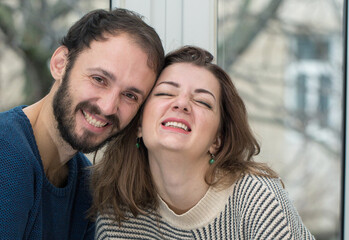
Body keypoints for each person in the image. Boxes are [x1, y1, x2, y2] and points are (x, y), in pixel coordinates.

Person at [0, 8, 164, 239]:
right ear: (60, 64)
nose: (108, 106)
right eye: (99, 79)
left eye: (130, 95)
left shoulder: (82, 183)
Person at [92, 46, 314, 239]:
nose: (181, 104)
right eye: (166, 93)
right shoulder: (117, 209)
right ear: (139, 124)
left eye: (202, 102)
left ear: (217, 140)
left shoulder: (257, 200)